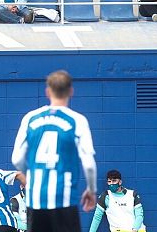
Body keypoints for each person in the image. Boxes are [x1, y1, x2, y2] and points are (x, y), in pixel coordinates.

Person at [11, 70, 98, 232]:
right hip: (63, 198)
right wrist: (91, 189)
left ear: (47, 92)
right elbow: (89, 164)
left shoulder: (30, 118)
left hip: (35, 198)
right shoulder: (77, 120)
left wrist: (32, 176)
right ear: (71, 91)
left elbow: (16, 158)